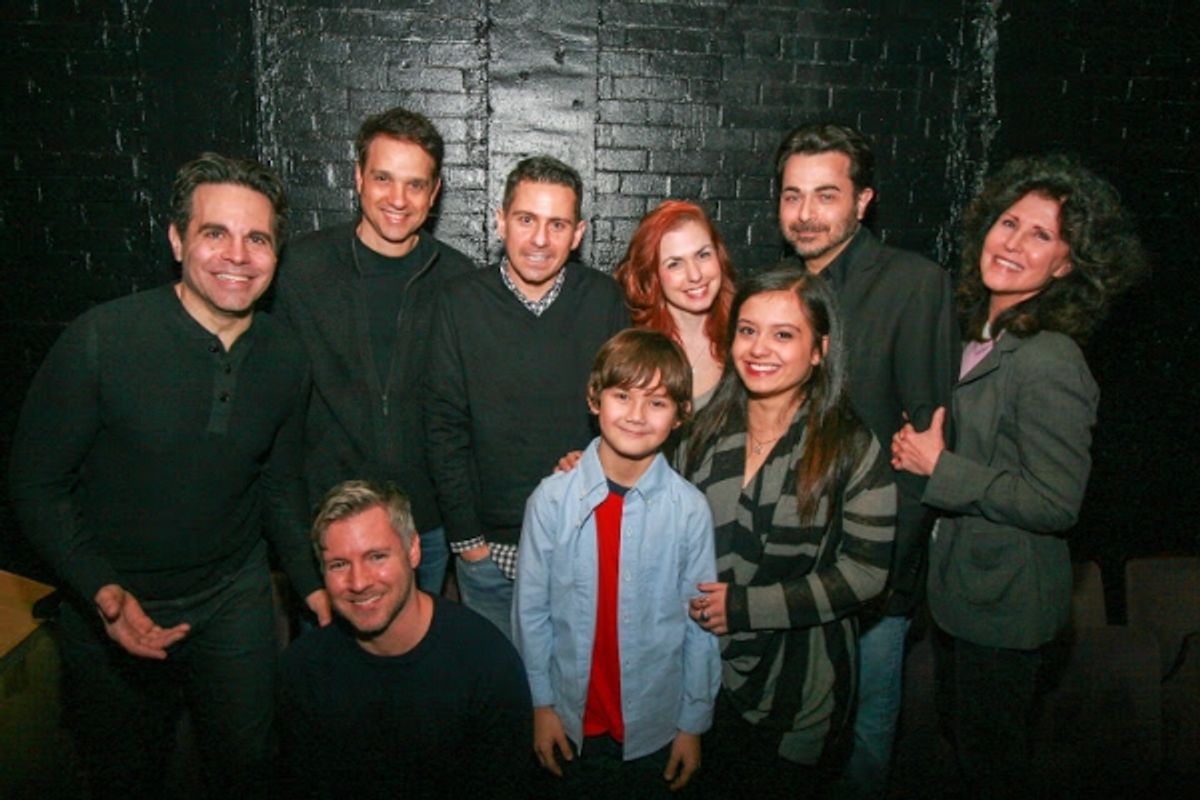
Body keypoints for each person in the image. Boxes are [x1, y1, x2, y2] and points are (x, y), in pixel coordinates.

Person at [8, 153, 330, 799]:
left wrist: (315, 590)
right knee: (126, 772)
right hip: (113, 606)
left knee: (250, 764)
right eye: (215, 233)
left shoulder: (287, 356)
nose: (237, 255)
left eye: (258, 238)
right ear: (178, 239)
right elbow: (35, 485)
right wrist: (100, 589)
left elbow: (279, 487)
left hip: (234, 597)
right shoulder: (101, 341)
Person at [890, 154, 1147, 799]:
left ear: (1065, 265)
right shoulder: (980, 337)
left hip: (1005, 609)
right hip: (961, 595)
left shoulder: (1050, 358)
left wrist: (940, 468)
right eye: (1009, 223)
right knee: (962, 752)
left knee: (991, 769)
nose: (1013, 243)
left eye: (1040, 235)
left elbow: (1056, 502)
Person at [775, 122, 957, 796]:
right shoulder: (781, 291)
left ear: (863, 201)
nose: (806, 213)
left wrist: (883, 582)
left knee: (863, 742)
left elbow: (925, 449)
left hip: (869, 575)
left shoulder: (913, 284)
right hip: (788, 566)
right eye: (792, 195)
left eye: (826, 195)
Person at [681, 266, 897, 798]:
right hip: (701, 678)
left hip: (802, 688)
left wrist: (746, 608)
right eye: (747, 330)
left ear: (819, 350)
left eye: (783, 334)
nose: (759, 349)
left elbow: (866, 574)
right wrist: (587, 469)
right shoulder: (703, 430)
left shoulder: (851, 446)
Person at [425, 155, 629, 639]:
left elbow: (626, 411)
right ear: (500, 222)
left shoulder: (604, 299)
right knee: (497, 680)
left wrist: (598, 457)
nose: (540, 239)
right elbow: (442, 426)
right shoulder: (459, 302)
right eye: (526, 220)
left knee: (576, 680)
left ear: (578, 234)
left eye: (557, 224)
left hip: (581, 542)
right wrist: (468, 543)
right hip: (489, 550)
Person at [273, 106, 474, 595]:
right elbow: (274, 411)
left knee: (420, 644)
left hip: (423, 526)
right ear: (359, 178)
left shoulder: (459, 280)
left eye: (415, 184)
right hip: (332, 524)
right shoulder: (301, 269)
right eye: (383, 178)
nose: (398, 199)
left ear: (435, 192)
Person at [513, 328, 721, 797]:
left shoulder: (690, 510)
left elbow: (700, 625)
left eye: (657, 402)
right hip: (570, 722)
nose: (636, 415)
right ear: (594, 398)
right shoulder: (551, 501)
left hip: (655, 727)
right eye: (622, 395)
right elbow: (531, 613)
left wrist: (692, 723)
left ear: (681, 415)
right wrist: (541, 705)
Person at [277, 480, 532, 799]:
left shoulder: (486, 663)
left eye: (376, 557)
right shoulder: (302, 671)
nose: (359, 582)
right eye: (339, 564)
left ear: (413, 550)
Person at [614, 200, 736, 409]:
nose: (695, 275)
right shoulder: (629, 347)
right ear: (652, 275)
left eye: (703, 255)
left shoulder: (746, 337)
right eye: (675, 264)